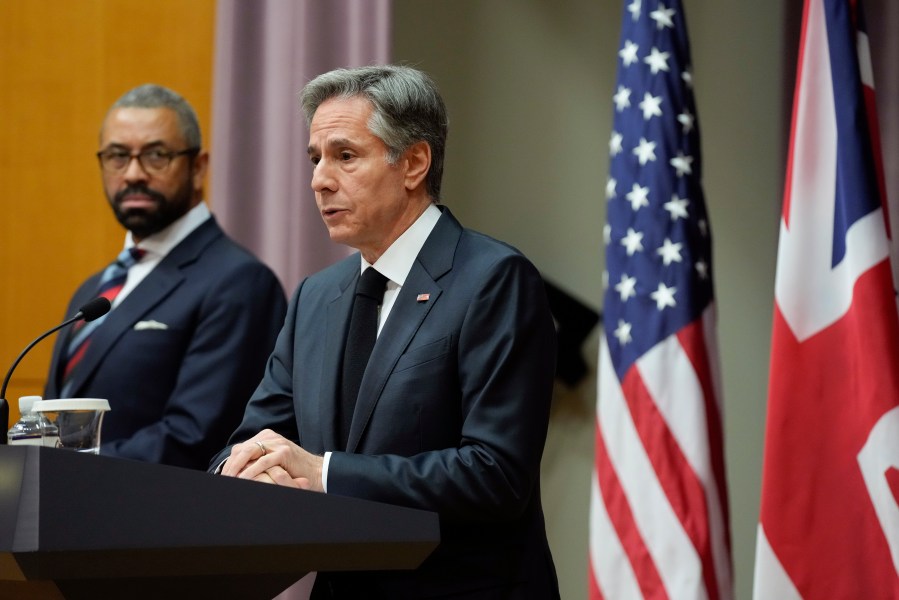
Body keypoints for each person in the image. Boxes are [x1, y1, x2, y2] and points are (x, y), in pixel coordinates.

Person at [211, 65, 560, 599]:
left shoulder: (492, 280)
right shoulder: (315, 299)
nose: (319, 180)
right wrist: (242, 469)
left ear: (414, 162)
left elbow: (495, 474)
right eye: (315, 159)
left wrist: (324, 473)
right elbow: (255, 439)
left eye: (345, 156)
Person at [44, 84, 287, 470]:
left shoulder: (240, 282)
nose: (134, 173)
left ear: (198, 167)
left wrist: (62, 470)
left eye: (157, 156)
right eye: (117, 157)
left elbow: (195, 438)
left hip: (162, 521)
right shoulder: (93, 291)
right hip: (68, 514)